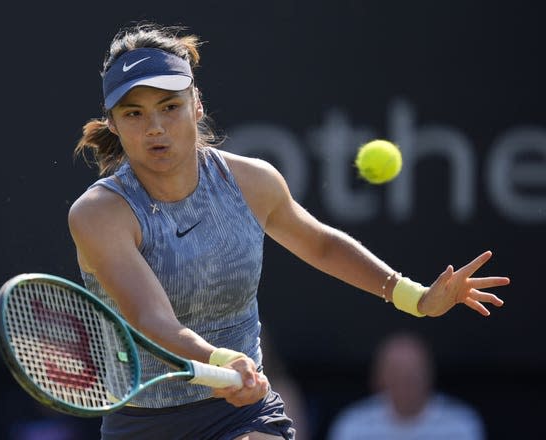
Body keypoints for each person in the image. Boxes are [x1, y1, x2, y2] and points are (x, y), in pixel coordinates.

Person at [67, 22, 510, 440]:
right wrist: (221, 362)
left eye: (169, 106)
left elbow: (319, 243)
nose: (156, 128)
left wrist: (415, 297)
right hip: (143, 425)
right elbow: (152, 319)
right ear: (112, 123)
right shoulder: (99, 213)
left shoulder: (252, 182)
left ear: (196, 103)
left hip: (240, 413)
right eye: (134, 113)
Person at [326, 331, 486, 439]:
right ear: (378, 378)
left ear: (429, 374)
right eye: (396, 372)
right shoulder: (352, 425)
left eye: (413, 372)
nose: (405, 380)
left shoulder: (460, 425)